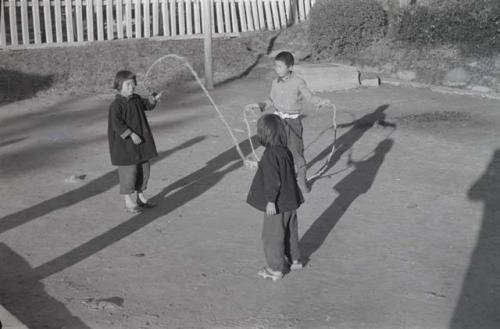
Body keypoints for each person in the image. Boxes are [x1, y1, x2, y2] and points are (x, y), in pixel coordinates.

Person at [251, 51, 331, 193]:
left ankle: (301, 181)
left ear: (290, 67)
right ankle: (278, 180)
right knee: (276, 152)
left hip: (293, 123)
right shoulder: (274, 82)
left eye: (280, 66)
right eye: (276, 66)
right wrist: (260, 104)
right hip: (277, 123)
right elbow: (271, 99)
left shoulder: (298, 82)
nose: (277, 69)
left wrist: (320, 101)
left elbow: (310, 97)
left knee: (296, 153)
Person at [247, 114, 305, 281]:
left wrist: (271, 201)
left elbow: (274, 180)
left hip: (278, 204)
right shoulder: (284, 151)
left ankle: (274, 269)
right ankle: (294, 259)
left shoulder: (269, 155)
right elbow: (279, 172)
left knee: (272, 235)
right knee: (290, 232)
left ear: (264, 134)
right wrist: (259, 165)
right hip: (291, 201)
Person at [108, 70, 160, 213]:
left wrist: (152, 100)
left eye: (133, 84)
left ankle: (140, 196)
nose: (132, 87)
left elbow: (147, 105)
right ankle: (128, 201)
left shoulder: (136, 99)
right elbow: (117, 124)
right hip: (126, 146)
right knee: (129, 172)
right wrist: (130, 134)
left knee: (144, 170)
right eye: (128, 84)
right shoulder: (116, 105)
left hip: (141, 144)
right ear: (119, 85)